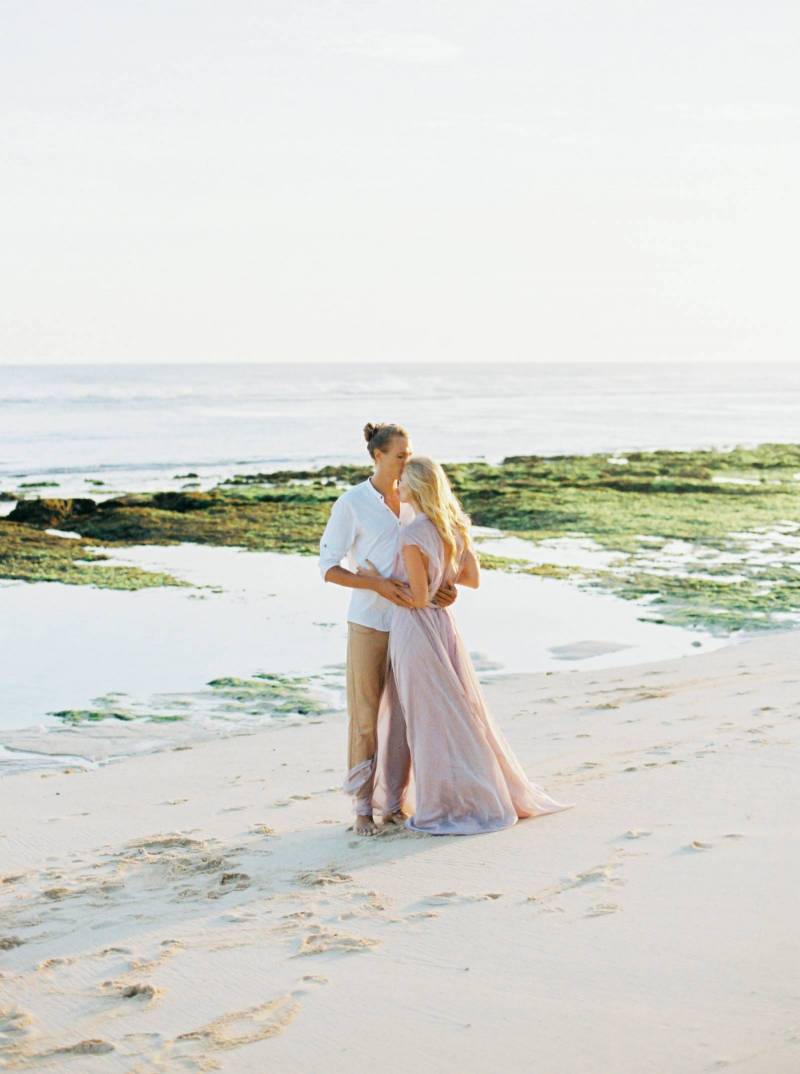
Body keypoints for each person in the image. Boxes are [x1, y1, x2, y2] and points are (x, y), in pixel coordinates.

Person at [367, 455, 574, 835]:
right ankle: (463, 790)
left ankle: (443, 802)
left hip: (416, 630)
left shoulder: (411, 535)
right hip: (444, 628)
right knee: (457, 712)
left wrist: (375, 579)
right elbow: (472, 579)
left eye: (403, 482)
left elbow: (414, 598)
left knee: (427, 719)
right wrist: (444, 586)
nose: (397, 487)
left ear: (416, 487)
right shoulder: (454, 529)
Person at [319, 424, 458, 835]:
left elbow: (435, 556)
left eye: (409, 453)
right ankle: (363, 806)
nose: (407, 461)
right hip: (370, 623)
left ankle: (394, 803)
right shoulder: (353, 504)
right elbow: (328, 569)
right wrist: (377, 584)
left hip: (413, 624)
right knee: (365, 717)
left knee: (403, 717)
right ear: (377, 456)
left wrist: (442, 589)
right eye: (400, 455)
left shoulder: (417, 499)